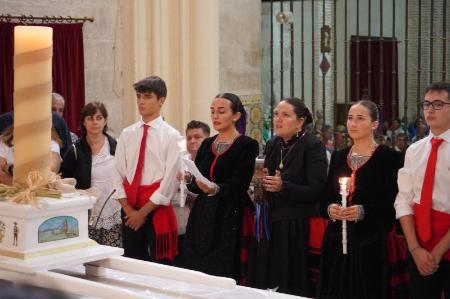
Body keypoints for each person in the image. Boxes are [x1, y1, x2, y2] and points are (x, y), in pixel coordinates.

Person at [318, 100, 404, 299]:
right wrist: (331, 209)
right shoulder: (339, 157)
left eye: (360, 118)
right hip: (336, 241)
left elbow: (392, 203)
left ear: (374, 124)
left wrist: (363, 211)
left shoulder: (390, 158)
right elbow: (323, 199)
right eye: (350, 118)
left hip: (371, 243)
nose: (352, 123)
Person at [181, 93, 259, 282]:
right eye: (212, 111)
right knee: (197, 267)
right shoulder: (208, 143)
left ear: (236, 116)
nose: (215, 116)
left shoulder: (247, 145)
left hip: (230, 214)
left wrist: (215, 189)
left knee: (222, 269)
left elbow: (239, 184)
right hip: (203, 214)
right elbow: (199, 183)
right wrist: (189, 179)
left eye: (221, 111)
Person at [257, 97, 328, 296]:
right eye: (276, 114)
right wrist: (261, 183)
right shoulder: (273, 144)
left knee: (291, 281)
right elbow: (268, 178)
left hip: (297, 224)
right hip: (272, 222)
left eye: (285, 115)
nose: (278, 119)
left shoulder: (312, 145)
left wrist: (283, 186)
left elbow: (316, 190)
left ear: (300, 121)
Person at [112, 76, 181, 263]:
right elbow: (117, 172)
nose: (141, 101)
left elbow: (169, 183)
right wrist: (129, 210)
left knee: (160, 266)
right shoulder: (127, 133)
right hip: (129, 208)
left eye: (147, 97)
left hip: (155, 208)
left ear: (161, 100)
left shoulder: (171, 136)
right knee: (133, 263)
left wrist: (141, 214)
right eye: (139, 96)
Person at [394, 82, 450, 299]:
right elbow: (404, 200)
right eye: (426, 104)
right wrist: (415, 249)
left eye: (438, 104)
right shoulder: (414, 150)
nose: (430, 110)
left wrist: (437, 252)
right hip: (420, 244)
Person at [60, 102, 121, 247]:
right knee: (88, 257)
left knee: (111, 258)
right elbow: (63, 183)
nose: (95, 122)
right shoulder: (74, 150)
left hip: (113, 211)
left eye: (99, 118)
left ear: (105, 121)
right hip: (85, 214)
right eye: (90, 118)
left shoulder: (116, 146)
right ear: (83, 122)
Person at [173, 120, 210, 266]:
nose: (192, 141)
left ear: (207, 139)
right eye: (189, 138)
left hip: (204, 226)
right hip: (182, 226)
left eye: (197, 137)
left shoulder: (212, 163)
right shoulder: (181, 162)